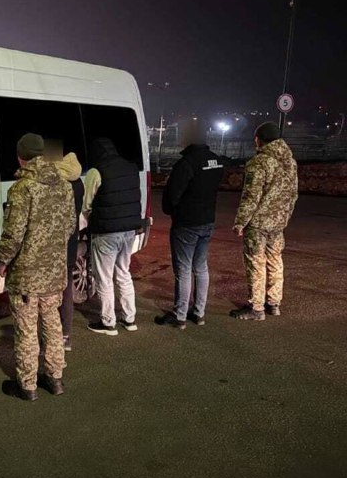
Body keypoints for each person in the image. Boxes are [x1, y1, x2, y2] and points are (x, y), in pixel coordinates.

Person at [0, 133, 76, 401]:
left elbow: (13, 234)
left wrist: (3, 259)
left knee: (27, 330)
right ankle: (55, 379)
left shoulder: (22, 189)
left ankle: (27, 385)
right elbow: (70, 227)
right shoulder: (64, 185)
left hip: (27, 276)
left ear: (21, 156)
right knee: (52, 324)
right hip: (54, 273)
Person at [155, 120, 224, 329]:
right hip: (207, 220)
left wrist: (172, 210)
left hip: (186, 223)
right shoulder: (216, 161)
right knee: (200, 267)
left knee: (183, 269)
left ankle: (180, 316)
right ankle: (199, 312)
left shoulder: (187, 163)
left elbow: (173, 195)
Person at [231, 122, 298, 320]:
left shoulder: (259, 163)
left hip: (259, 224)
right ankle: (274, 304)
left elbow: (251, 197)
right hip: (278, 224)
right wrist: (285, 216)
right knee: (276, 261)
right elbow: (293, 195)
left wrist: (240, 222)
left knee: (256, 263)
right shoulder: (290, 162)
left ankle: (256, 308)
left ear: (259, 139)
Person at [83, 137, 143, 335]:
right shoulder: (131, 167)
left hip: (106, 232)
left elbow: (87, 204)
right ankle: (129, 319)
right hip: (129, 231)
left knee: (105, 279)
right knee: (124, 273)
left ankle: (108, 323)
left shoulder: (96, 171)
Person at [53, 152, 85, 350]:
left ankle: (52, 337)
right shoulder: (78, 182)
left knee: (49, 296)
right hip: (70, 244)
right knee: (66, 293)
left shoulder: (56, 183)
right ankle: (65, 336)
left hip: (54, 246)